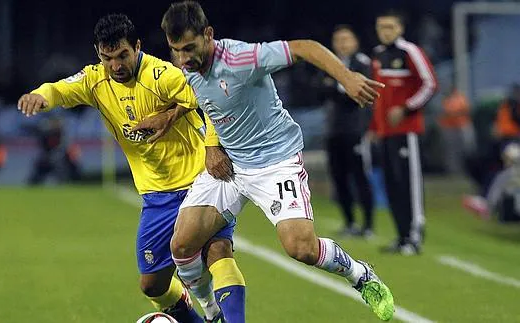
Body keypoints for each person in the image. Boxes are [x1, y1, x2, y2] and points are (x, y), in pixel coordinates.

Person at [136, 2, 395, 321]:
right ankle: (213, 313)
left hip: (276, 162)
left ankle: (360, 275)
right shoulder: (187, 69)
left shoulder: (242, 59)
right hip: (231, 166)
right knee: (182, 246)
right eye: (177, 50)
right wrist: (175, 120)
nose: (184, 58)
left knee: (301, 248)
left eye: (190, 48)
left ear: (209, 35)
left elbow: (304, 47)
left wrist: (348, 78)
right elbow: (201, 99)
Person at [17, 14, 245, 323]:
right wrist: (38, 96)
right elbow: (58, 89)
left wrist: (173, 118)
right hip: (156, 194)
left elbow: (210, 97)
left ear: (136, 47)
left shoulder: (162, 75)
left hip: (199, 182)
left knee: (217, 250)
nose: (116, 65)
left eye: (123, 55)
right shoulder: (94, 80)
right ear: (98, 53)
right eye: (107, 57)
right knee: (153, 285)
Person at [368, 10, 438, 255]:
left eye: (389, 27)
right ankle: (401, 236)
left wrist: (406, 108)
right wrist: (375, 127)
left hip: (406, 131)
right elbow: (377, 97)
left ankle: (414, 237)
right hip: (385, 133)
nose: (384, 31)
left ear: (400, 29)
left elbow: (430, 84)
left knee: (409, 185)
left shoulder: (410, 51)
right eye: (380, 27)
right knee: (392, 185)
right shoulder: (377, 55)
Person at [323, 25, 374, 238]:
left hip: (355, 130)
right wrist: (338, 91)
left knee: (360, 176)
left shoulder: (362, 63)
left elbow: (361, 96)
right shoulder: (329, 63)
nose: (342, 44)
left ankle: (368, 225)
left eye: (346, 39)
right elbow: (319, 90)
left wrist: (334, 89)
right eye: (338, 39)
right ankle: (350, 222)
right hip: (334, 130)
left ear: (355, 42)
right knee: (339, 177)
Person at [27, 116, 82, 185]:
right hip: (48, 160)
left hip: (61, 160)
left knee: (66, 170)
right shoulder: (45, 136)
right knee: (38, 171)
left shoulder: (63, 135)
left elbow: (64, 149)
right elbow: (44, 150)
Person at [438, 86, 475, 174]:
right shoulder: (446, 100)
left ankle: (466, 168)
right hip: (449, 128)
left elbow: (466, 110)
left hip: (461, 126)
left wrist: (455, 113)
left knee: (466, 148)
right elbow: (445, 113)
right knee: (451, 150)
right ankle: (452, 170)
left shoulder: (460, 98)